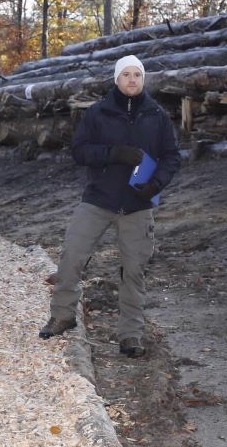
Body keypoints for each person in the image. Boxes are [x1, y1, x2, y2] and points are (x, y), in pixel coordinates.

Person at [39, 55, 181, 357]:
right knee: (72, 257)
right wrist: (113, 153)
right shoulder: (98, 113)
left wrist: (156, 184)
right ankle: (63, 315)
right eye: (126, 74)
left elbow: (171, 156)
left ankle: (131, 334)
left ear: (143, 79)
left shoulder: (156, 115)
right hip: (98, 200)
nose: (132, 80)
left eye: (137, 75)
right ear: (116, 79)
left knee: (134, 270)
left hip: (138, 206)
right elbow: (79, 151)